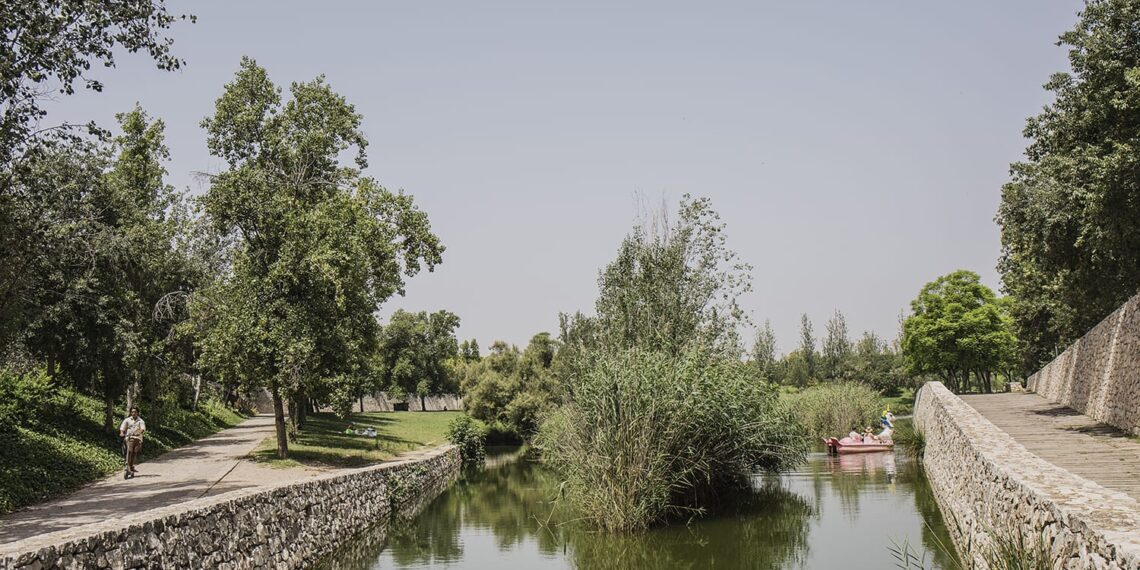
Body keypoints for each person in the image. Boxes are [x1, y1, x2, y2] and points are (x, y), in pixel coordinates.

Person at [118, 406, 146, 475]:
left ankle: (131, 466)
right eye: (132, 412)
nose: (133, 413)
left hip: (137, 438)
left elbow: (142, 429)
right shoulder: (127, 420)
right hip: (129, 438)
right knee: (129, 451)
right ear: (130, 412)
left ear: (138, 413)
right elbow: (122, 427)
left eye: (135, 412)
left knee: (134, 452)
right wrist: (121, 432)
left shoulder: (141, 421)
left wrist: (138, 433)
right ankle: (128, 466)